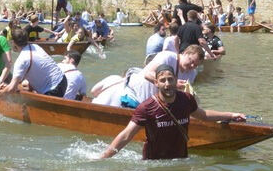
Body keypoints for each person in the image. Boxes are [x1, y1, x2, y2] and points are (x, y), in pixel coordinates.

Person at [98, 64, 246, 160]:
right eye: (163, 80)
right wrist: (104, 157)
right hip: (154, 164)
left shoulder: (186, 99)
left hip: (181, 160)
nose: (167, 84)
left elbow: (203, 115)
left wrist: (231, 115)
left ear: (176, 81)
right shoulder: (146, 107)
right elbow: (126, 134)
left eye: (170, 79)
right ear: (156, 83)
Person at [91, 45, 204, 108]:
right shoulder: (168, 57)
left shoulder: (192, 73)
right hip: (136, 93)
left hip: (157, 102)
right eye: (191, 61)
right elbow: (147, 74)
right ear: (184, 53)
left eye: (196, 65)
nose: (192, 65)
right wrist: (173, 84)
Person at [0, 29, 67, 97]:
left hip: (54, 89)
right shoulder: (35, 46)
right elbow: (38, 68)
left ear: (13, 42)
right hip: (63, 80)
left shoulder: (21, 60)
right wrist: (30, 87)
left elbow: (12, 88)